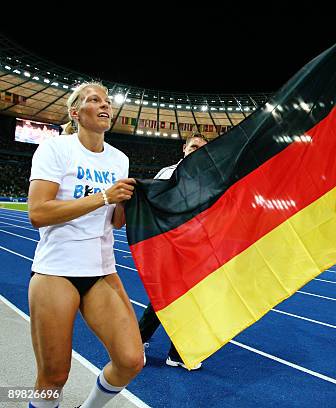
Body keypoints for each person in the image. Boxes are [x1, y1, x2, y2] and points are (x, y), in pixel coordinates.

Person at [28, 82, 143, 408]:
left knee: (131, 360)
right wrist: (104, 196)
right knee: (53, 377)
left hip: (101, 270)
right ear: (76, 113)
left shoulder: (119, 159)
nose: (105, 105)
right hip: (57, 270)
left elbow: (115, 221)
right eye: (95, 100)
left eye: (107, 101)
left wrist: (123, 203)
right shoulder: (55, 149)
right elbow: (38, 213)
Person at [139, 133, 207, 370]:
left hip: (194, 247)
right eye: (194, 147)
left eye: (202, 149)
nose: (197, 151)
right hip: (170, 245)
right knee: (167, 298)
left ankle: (175, 351)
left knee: (188, 298)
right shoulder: (169, 174)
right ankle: (149, 344)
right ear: (184, 149)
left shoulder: (206, 179)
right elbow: (155, 205)